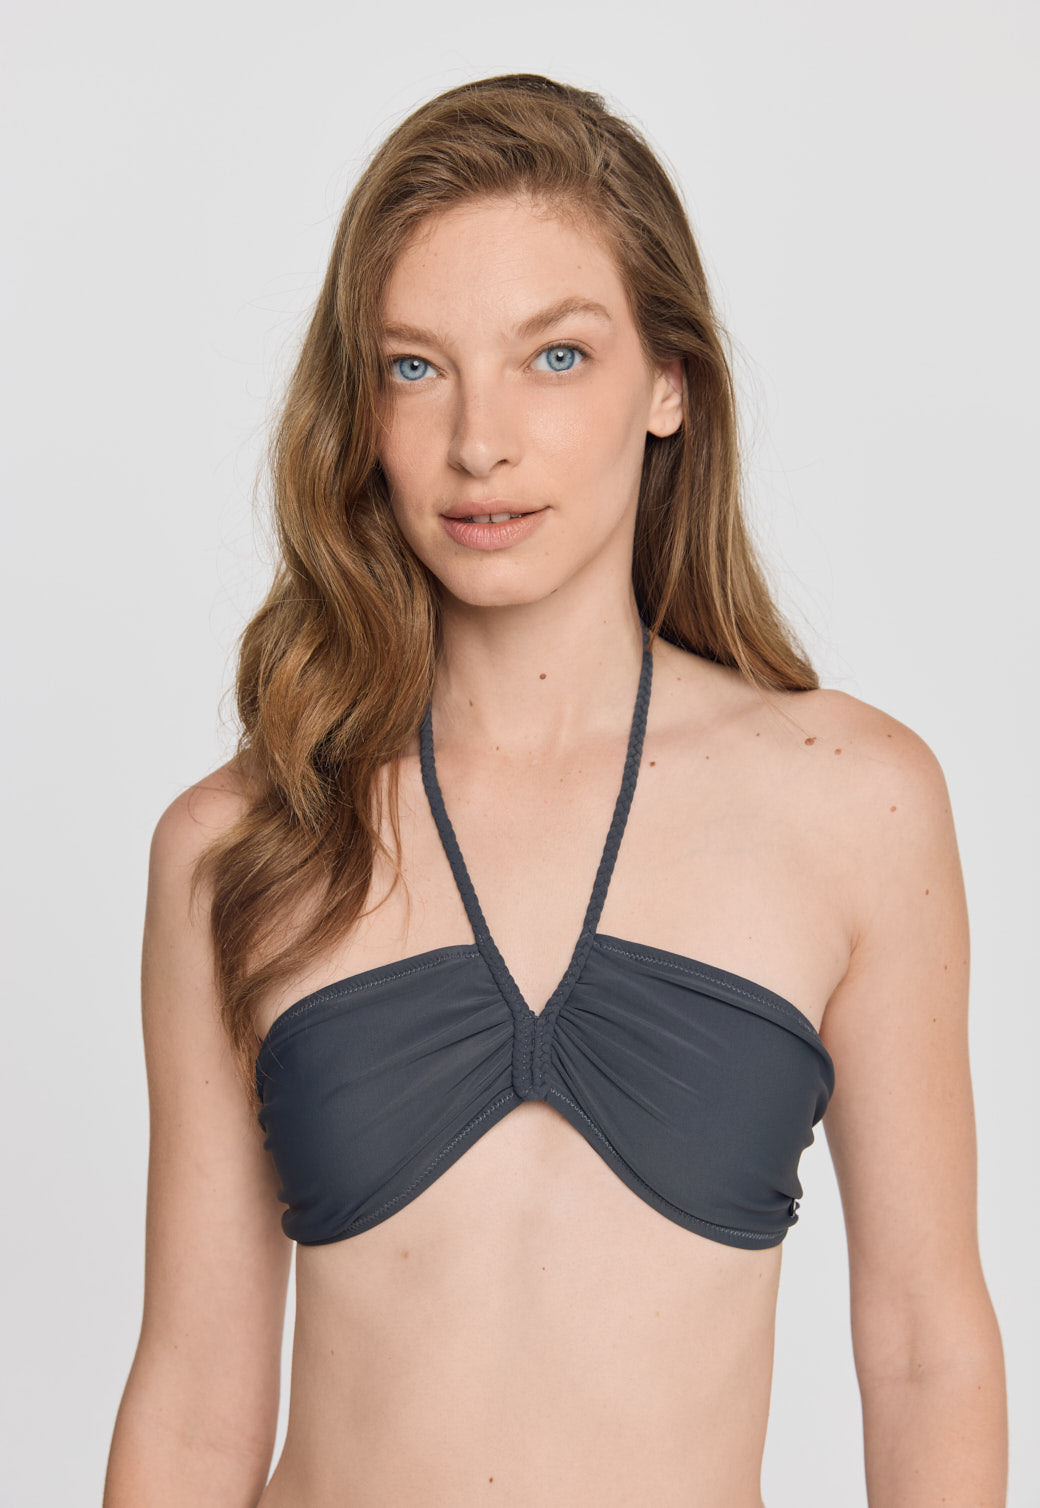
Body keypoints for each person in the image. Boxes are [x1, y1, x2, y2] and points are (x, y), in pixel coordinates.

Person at [103, 74, 1008, 1506]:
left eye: (556, 356)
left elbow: (924, 1352)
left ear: (670, 384)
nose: (481, 441)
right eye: (416, 367)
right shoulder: (241, 844)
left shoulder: (857, 804)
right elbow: (195, 1403)